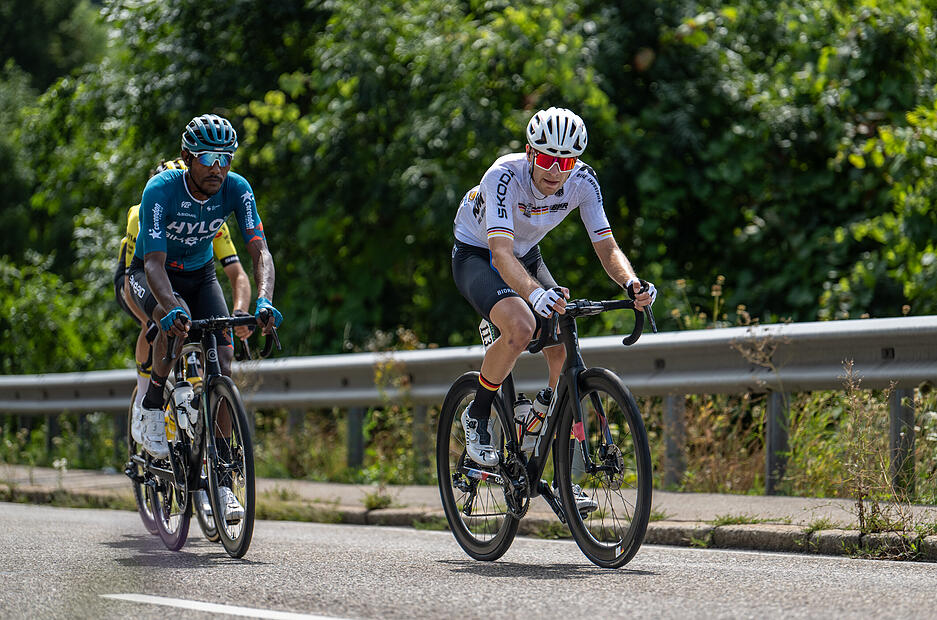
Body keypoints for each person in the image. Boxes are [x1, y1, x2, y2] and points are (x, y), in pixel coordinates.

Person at [451, 106, 656, 512]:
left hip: (526, 255)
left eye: (565, 161)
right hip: (479, 252)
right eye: (545, 159)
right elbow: (501, 253)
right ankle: (476, 413)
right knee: (523, 326)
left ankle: (546, 447)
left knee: (562, 343)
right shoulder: (503, 176)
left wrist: (631, 282)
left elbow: (606, 245)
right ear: (529, 153)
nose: (555, 171)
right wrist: (532, 294)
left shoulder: (583, 180)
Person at [127, 113, 282, 522]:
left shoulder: (236, 188)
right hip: (151, 272)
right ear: (186, 157)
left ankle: (225, 482)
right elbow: (154, 263)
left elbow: (260, 252)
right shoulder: (160, 189)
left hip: (200, 276)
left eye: (226, 157)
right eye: (209, 157)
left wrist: (262, 302)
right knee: (167, 318)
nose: (218, 166)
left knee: (223, 368)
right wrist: (172, 309)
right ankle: (153, 403)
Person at [116, 158, 253, 444]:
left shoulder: (213, 221)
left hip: (193, 277)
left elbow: (236, 273)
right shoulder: (140, 214)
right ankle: (144, 401)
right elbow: (135, 278)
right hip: (139, 277)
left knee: (204, 336)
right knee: (154, 326)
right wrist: (152, 319)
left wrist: (240, 310)